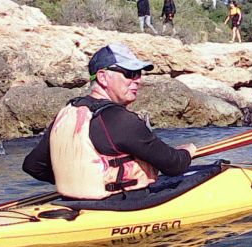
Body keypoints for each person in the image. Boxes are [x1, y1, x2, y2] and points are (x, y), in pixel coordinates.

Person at [21, 43, 197, 199]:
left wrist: (80, 181)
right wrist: (188, 151)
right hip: (121, 206)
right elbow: (174, 165)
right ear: (103, 77)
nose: (138, 80)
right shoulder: (121, 120)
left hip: (73, 204)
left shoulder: (66, 113)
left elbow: (33, 166)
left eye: (139, 74)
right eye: (129, 74)